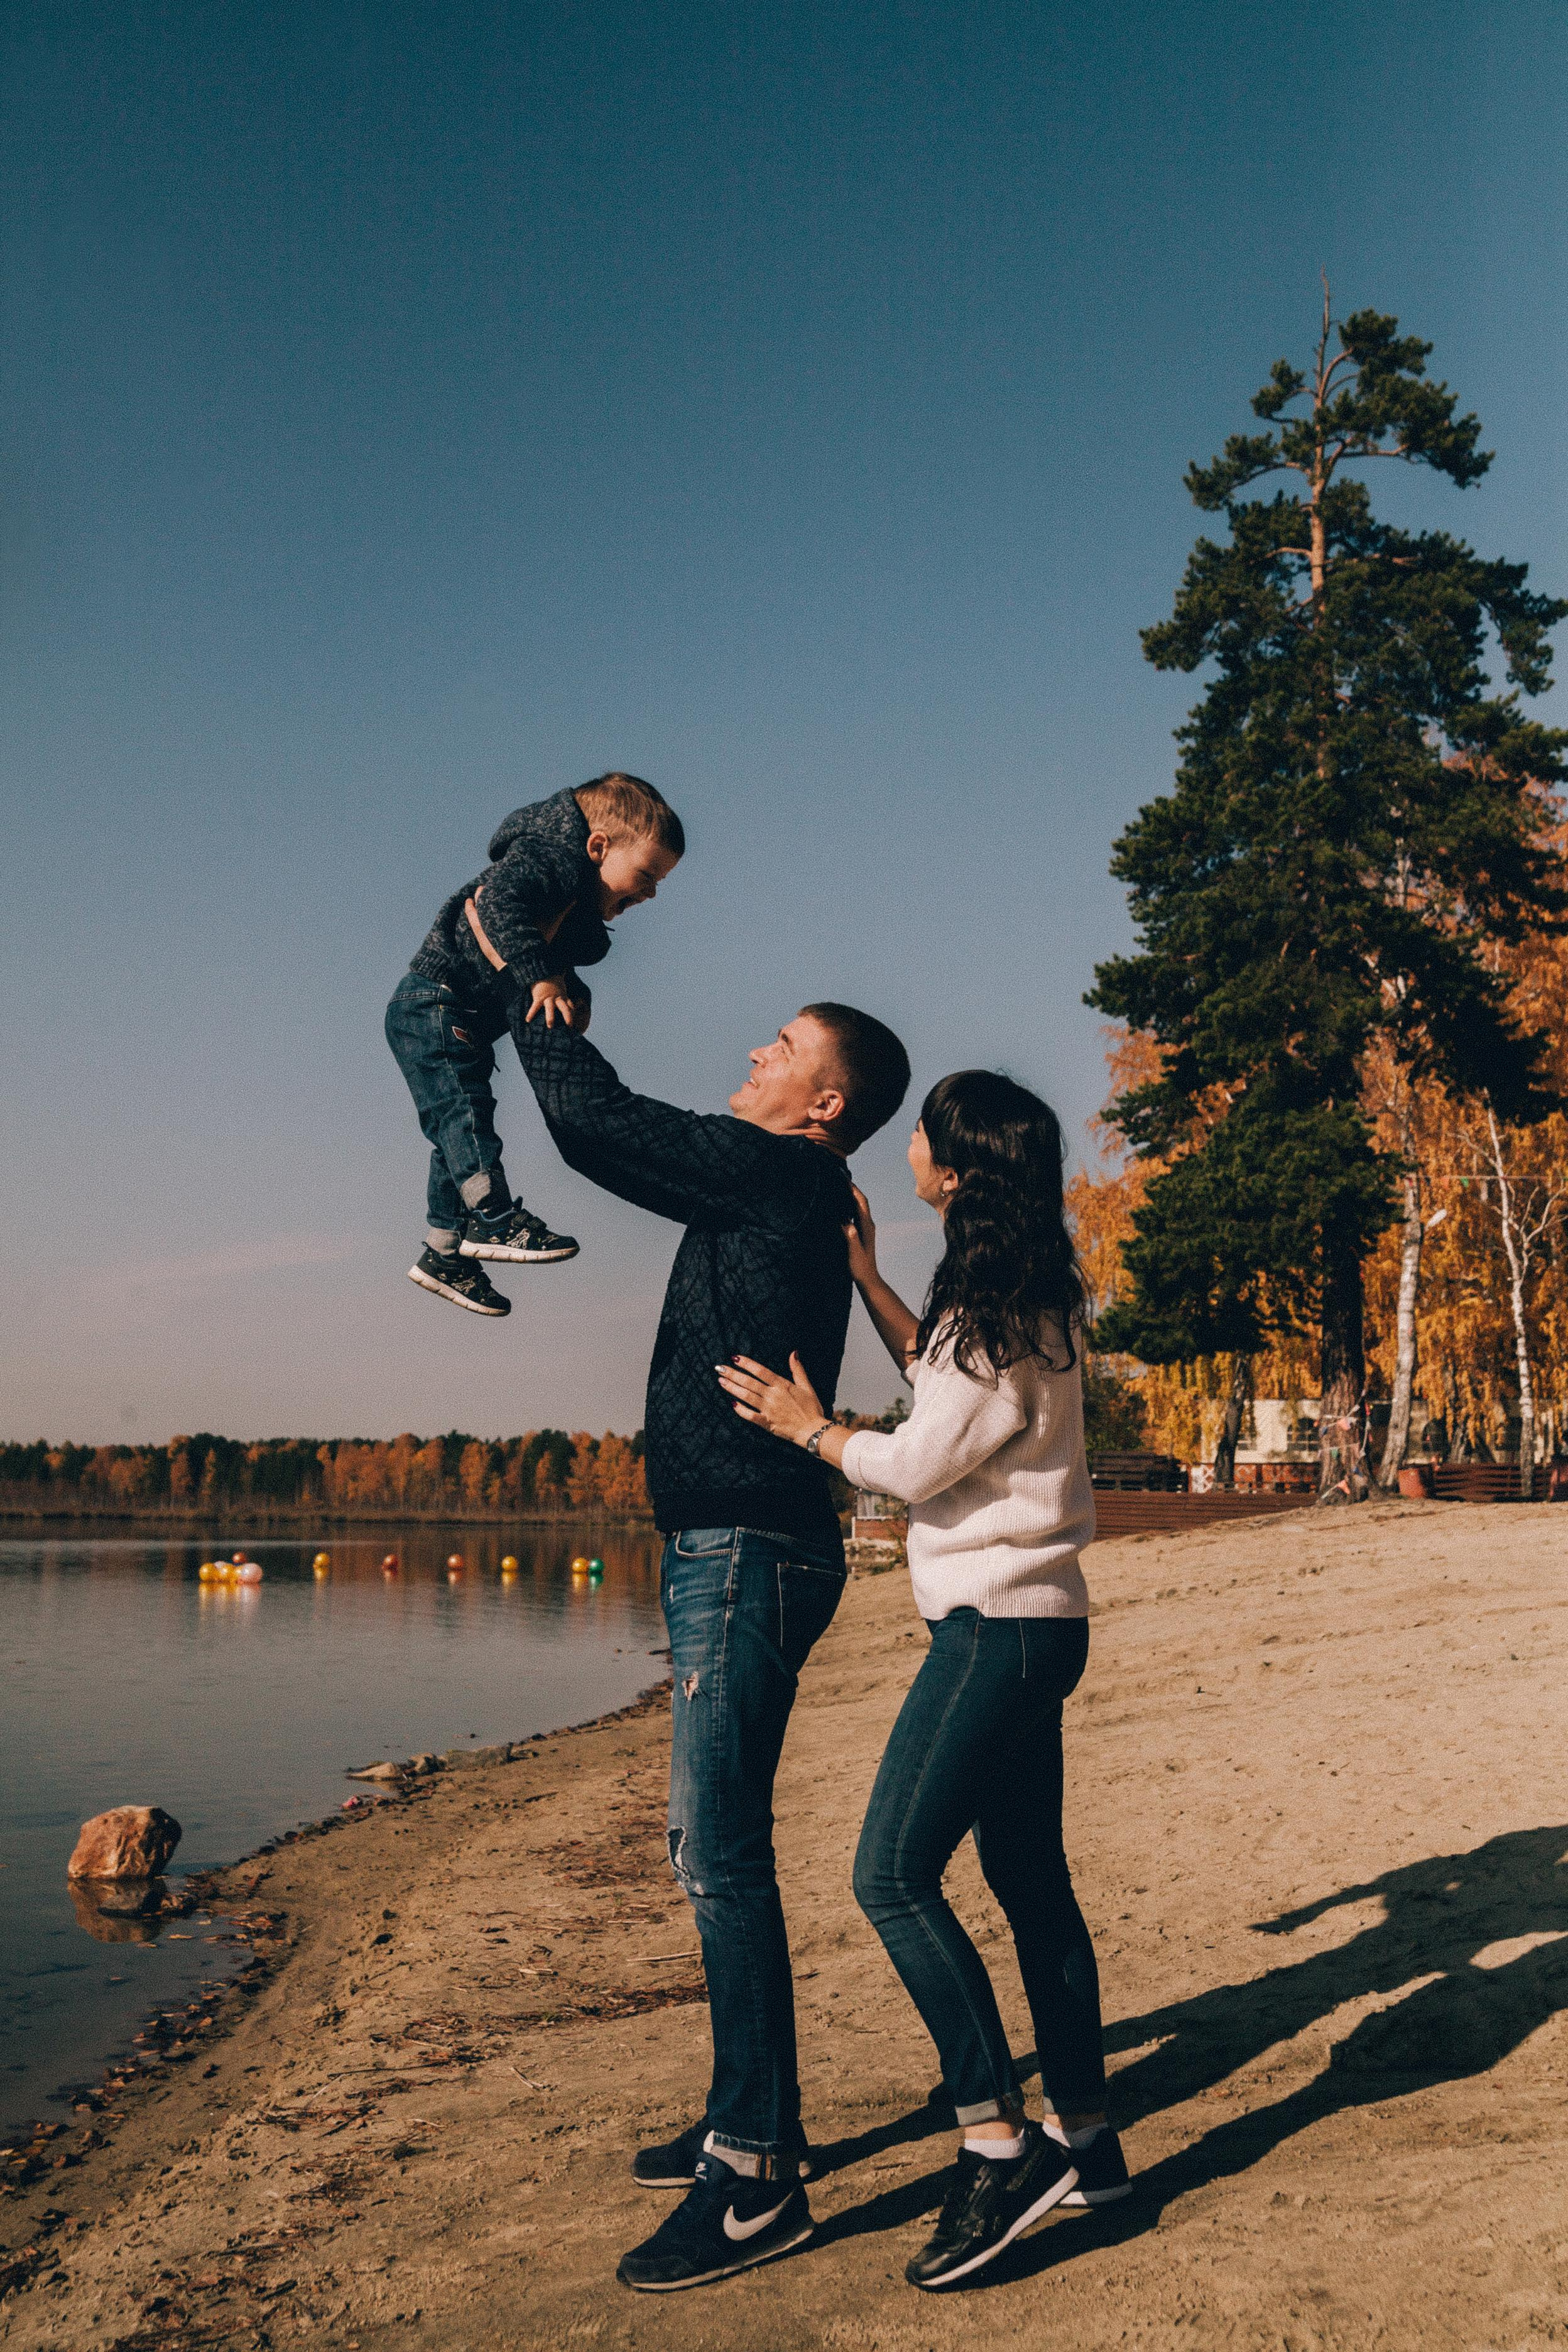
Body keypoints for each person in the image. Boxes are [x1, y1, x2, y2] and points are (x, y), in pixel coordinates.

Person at [461, 890, 912, 2290]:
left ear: (823, 1104)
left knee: (721, 1854)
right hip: (733, 1540)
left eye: (780, 1046)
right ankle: (745, 2112)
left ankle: (759, 2176)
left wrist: (542, 1010)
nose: (756, 1052)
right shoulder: (791, 1185)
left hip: (749, 1545)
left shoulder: (777, 1174)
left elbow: (602, 1132)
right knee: (700, 1844)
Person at [719, 1068, 1130, 2292]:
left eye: (926, 1139)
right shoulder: (1027, 1300)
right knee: (1027, 1879)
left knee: (890, 1877)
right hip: (1044, 1622)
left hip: (993, 1628)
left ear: (956, 1172)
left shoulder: (990, 1314)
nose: (909, 1151)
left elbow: (912, 1463)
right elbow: (960, 1401)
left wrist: (808, 1427)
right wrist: (872, 1283)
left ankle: (999, 2142)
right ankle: (1090, 2146)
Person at [384, 772, 684, 1315]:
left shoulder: (573, 897)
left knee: (460, 1126)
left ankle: (445, 1252)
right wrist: (541, 977)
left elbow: (564, 948)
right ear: (597, 847)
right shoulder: (548, 860)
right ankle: (495, 1217)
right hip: (433, 1002)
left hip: (462, 1015)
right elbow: (497, 905)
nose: (650, 892)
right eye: (646, 874)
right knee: (464, 1115)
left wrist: (571, 984)